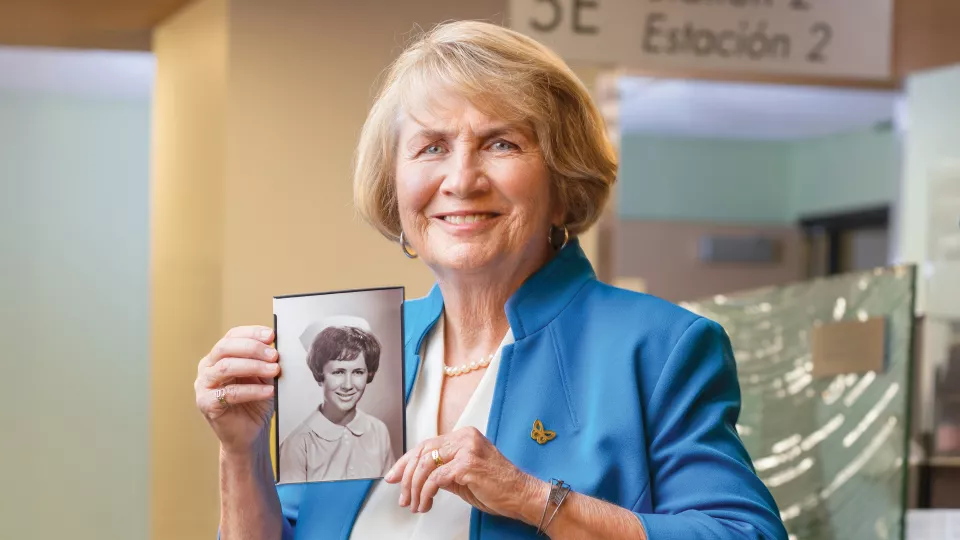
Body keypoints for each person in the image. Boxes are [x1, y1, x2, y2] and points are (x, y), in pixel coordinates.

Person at [194, 19, 789, 540]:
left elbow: (746, 533)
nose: (462, 179)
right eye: (431, 147)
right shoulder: (355, 346)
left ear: (563, 184)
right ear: (395, 189)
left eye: (501, 143)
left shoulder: (658, 347)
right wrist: (239, 450)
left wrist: (533, 499)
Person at [278, 321, 395, 484]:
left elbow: (389, 494)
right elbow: (291, 507)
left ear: (369, 374)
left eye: (358, 372)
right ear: (320, 374)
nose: (348, 385)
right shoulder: (297, 444)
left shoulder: (378, 431)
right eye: (338, 372)